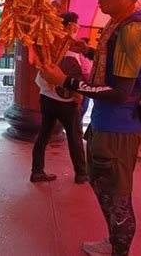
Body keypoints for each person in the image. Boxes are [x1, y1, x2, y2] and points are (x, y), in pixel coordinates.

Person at [40, 0, 141, 256]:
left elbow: (118, 91)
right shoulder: (120, 25)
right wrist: (86, 50)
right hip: (107, 124)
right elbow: (111, 71)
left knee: (117, 196)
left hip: (118, 127)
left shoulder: (132, 31)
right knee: (104, 187)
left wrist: (67, 82)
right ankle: (114, 243)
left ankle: (119, 251)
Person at [31, 12, 88, 184]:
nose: (77, 29)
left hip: (46, 98)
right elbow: (75, 76)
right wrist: (78, 97)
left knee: (43, 134)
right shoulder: (69, 48)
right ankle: (81, 173)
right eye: (76, 25)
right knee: (74, 136)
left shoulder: (48, 44)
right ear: (70, 25)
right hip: (65, 101)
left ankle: (37, 171)